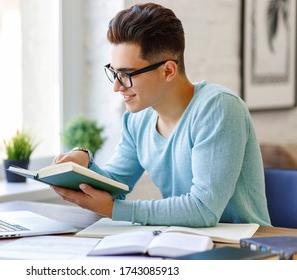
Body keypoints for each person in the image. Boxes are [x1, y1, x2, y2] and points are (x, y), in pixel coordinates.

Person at [52, 3, 271, 227]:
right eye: (114, 73)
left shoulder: (218, 108)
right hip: (180, 241)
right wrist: (84, 162)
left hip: (244, 248)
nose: (117, 87)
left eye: (127, 74)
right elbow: (115, 186)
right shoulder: (137, 120)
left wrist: (113, 210)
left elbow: (203, 210)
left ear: (168, 70)